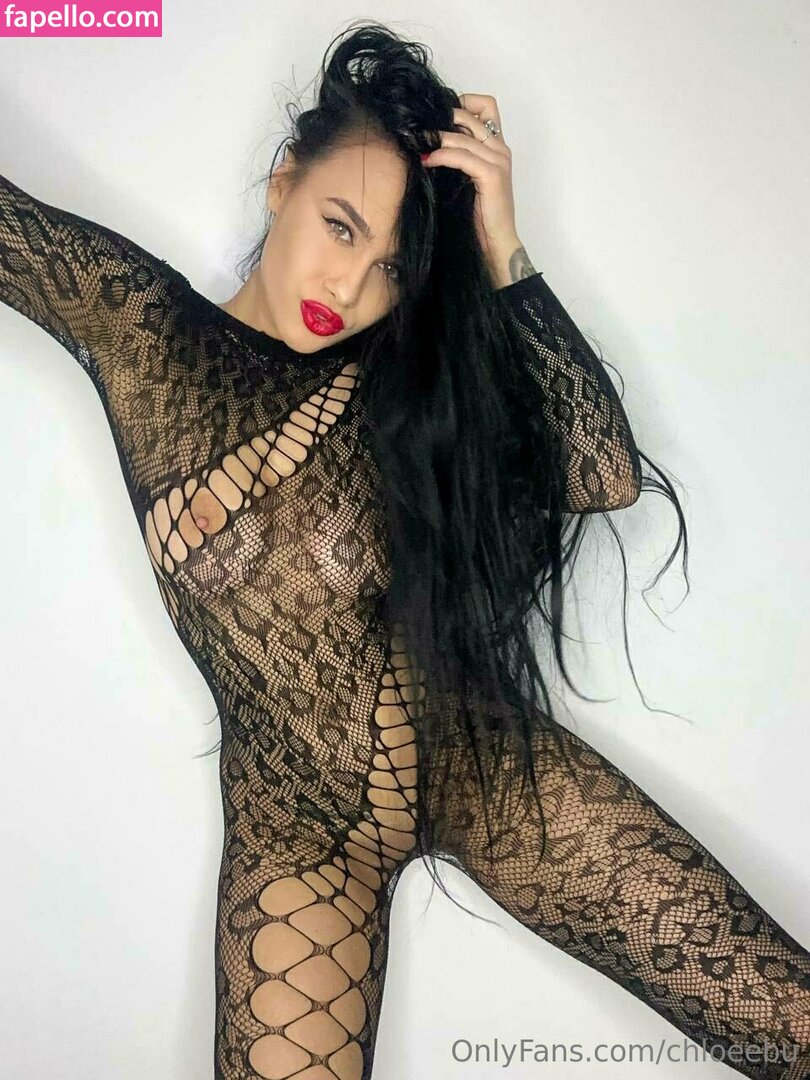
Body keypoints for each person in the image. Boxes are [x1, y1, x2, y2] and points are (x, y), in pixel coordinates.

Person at [1, 19, 808, 1080]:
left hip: (484, 767)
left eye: (389, 265)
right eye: (339, 226)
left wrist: (499, 240)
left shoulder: (402, 386)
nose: (349, 285)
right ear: (283, 182)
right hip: (301, 829)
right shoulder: (146, 331)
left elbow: (602, 475)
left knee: (791, 1028)